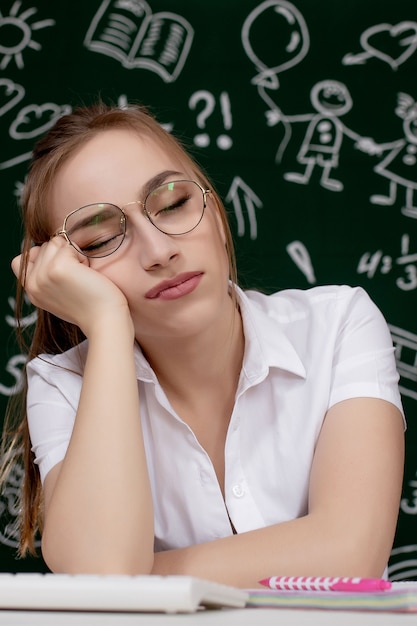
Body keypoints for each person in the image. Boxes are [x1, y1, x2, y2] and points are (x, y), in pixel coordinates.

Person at [3, 101, 405, 588]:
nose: (160, 250)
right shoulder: (64, 384)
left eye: (173, 204)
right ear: (66, 275)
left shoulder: (339, 325)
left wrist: (143, 577)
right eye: (101, 240)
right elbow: (104, 571)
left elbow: (349, 553)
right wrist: (108, 326)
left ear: (213, 209)